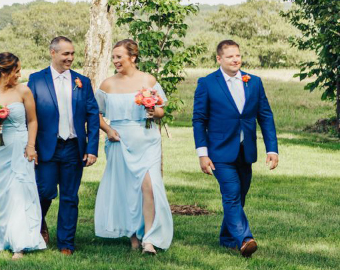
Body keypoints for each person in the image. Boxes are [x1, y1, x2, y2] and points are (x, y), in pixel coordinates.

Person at [192, 39, 278, 257]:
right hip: (219, 151)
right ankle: (245, 239)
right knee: (231, 194)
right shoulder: (207, 83)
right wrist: (203, 154)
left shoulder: (254, 82)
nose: (235, 59)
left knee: (240, 196)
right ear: (219, 59)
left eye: (237, 55)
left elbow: (265, 116)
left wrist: (272, 149)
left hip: (246, 150)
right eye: (230, 56)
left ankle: (227, 238)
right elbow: (199, 120)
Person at [94, 39, 173, 254]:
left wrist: (153, 112)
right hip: (120, 140)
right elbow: (95, 114)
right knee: (127, 188)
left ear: (133, 57)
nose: (115, 61)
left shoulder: (148, 80)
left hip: (147, 139)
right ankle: (133, 236)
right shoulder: (107, 84)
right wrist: (109, 131)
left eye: (119, 56)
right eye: (113, 57)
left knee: (150, 186)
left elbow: (161, 110)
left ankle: (149, 238)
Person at [28, 36, 100, 255]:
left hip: (73, 147)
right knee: (46, 190)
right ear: (53, 53)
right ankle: (38, 224)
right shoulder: (36, 79)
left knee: (70, 196)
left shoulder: (82, 82)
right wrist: (30, 145)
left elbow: (93, 114)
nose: (70, 58)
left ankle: (66, 243)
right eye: (65, 54)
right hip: (46, 146)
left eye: (72, 54)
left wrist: (91, 148)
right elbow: (29, 115)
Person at [0, 52, 45, 259]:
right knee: (1, 195)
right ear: (5, 71)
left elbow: (32, 121)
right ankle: (5, 237)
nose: (19, 74)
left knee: (19, 191)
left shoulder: (24, 91)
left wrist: (31, 146)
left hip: (20, 146)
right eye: (16, 70)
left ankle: (19, 244)